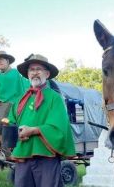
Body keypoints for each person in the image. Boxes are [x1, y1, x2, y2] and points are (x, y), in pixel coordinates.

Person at [6, 54, 76, 187]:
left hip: (46, 157)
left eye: (39, 69)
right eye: (31, 70)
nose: (34, 73)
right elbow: (11, 122)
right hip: (23, 155)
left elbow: (59, 128)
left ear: (47, 73)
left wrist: (33, 130)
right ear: (28, 74)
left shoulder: (55, 98)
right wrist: (15, 133)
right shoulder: (19, 100)